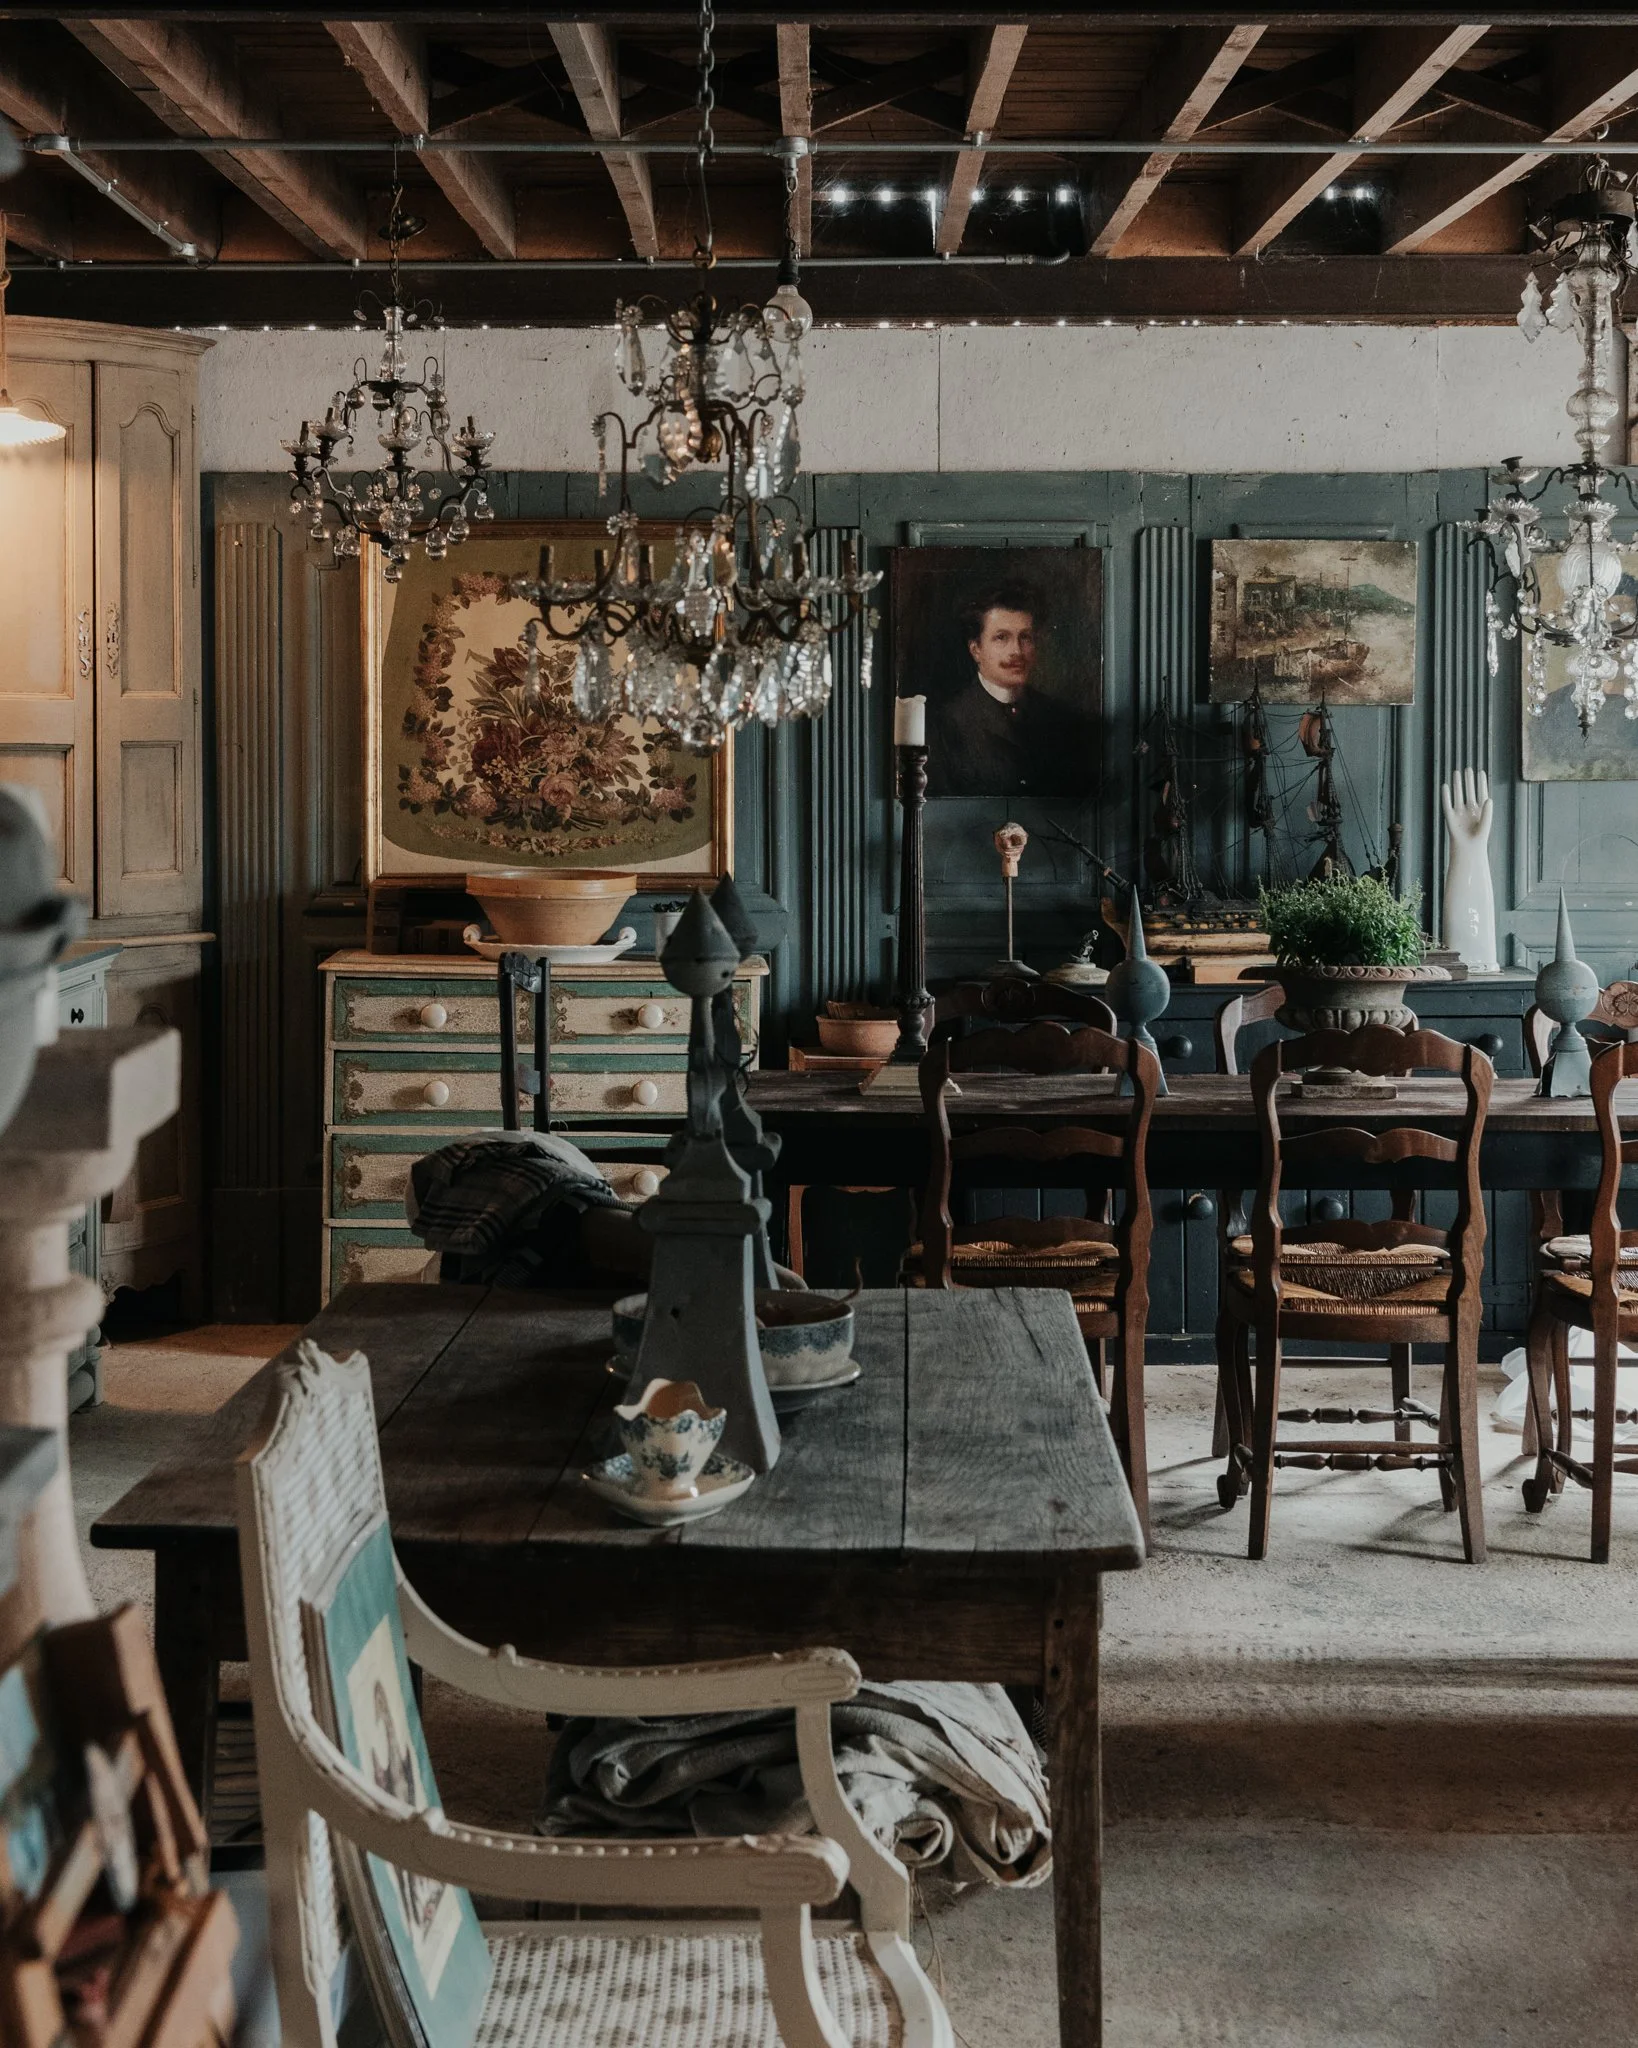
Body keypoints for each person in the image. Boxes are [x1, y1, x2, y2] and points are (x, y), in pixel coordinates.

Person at [927, 578, 1097, 799]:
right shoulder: (946, 724)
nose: (1016, 651)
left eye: (1025, 637)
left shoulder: (1062, 718)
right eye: (1001, 638)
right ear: (976, 649)